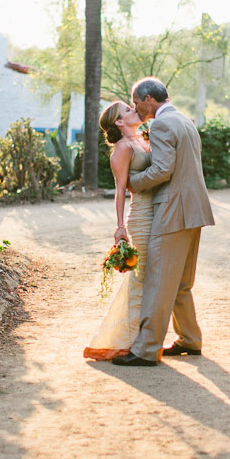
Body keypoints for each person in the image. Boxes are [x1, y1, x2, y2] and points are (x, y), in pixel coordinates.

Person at [112, 77, 215, 367]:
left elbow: (162, 170)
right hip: (194, 211)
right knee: (182, 283)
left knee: (158, 281)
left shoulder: (161, 124)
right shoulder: (185, 120)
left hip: (173, 211)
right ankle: (189, 340)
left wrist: (131, 182)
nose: (136, 109)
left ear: (147, 99)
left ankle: (146, 350)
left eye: (135, 103)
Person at [83, 100, 154, 361]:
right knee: (140, 277)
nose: (133, 111)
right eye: (127, 110)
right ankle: (128, 341)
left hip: (158, 213)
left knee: (151, 277)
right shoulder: (122, 149)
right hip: (142, 216)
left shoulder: (143, 139)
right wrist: (120, 226)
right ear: (119, 123)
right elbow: (120, 189)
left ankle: (145, 337)